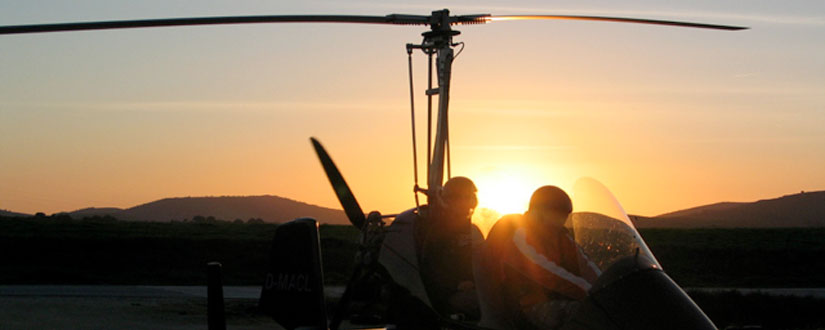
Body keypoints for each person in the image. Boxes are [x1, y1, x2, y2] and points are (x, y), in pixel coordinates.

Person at [477, 185, 600, 329]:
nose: (560, 221)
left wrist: (607, 285)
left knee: (603, 314)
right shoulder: (519, 235)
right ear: (538, 212)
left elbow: (585, 265)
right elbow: (549, 273)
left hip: (557, 297)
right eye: (556, 215)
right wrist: (592, 293)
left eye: (563, 216)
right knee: (582, 314)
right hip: (527, 306)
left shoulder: (561, 237)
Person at [417, 176, 482, 319]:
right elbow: (431, 270)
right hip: (449, 295)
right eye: (459, 198)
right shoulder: (438, 231)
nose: (465, 202)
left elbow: (484, 261)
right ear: (449, 200)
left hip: (477, 287)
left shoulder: (473, 230)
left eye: (468, 197)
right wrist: (457, 285)